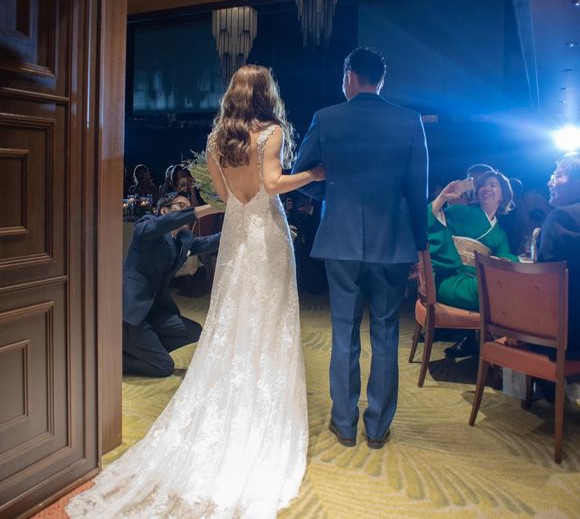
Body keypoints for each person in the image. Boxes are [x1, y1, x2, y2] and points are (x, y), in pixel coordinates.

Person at [67, 65, 324, 518]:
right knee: (269, 323)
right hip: (266, 235)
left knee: (232, 319)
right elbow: (271, 185)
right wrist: (313, 175)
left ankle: (233, 407)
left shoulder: (216, 141)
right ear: (266, 93)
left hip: (237, 236)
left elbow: (224, 196)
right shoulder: (272, 133)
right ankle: (260, 413)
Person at [293, 47, 428, 449]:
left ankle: (345, 423)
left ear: (350, 76)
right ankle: (378, 427)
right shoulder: (410, 120)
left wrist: (332, 196)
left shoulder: (326, 118)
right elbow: (417, 190)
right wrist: (420, 248)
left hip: (341, 238)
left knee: (344, 331)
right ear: (380, 80)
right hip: (393, 241)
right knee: (386, 332)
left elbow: (302, 173)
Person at [122, 191, 220, 377]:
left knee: (193, 332)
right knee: (163, 367)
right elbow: (160, 225)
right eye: (181, 207)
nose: (186, 211)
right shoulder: (147, 226)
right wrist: (210, 208)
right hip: (130, 312)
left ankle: (145, 346)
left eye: (188, 208)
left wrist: (240, 226)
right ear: (164, 211)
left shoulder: (183, 240)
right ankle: (113, 356)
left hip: (154, 311)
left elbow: (210, 242)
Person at [428, 171, 518, 355]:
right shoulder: (461, 211)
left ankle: (499, 349)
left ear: (503, 196)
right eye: (483, 185)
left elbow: (507, 255)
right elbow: (429, 219)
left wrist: (506, 260)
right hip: (450, 278)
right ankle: (502, 349)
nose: (486, 188)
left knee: (499, 291)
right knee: (494, 294)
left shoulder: (499, 232)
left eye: (493, 185)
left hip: (474, 281)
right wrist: (442, 197)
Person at [537, 152, 580, 359]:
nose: (550, 182)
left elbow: (545, 280)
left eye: (558, 175)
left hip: (568, 334)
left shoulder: (561, 217)